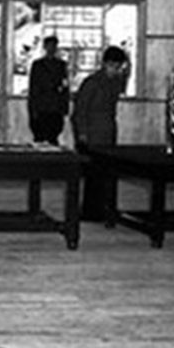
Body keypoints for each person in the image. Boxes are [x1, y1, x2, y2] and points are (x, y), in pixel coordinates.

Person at [71, 46, 130, 222]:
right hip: (91, 135)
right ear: (105, 64)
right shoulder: (92, 83)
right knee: (93, 175)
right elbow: (80, 111)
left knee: (107, 174)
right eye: (113, 66)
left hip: (108, 133)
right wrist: (82, 133)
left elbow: (125, 80)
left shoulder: (115, 82)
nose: (116, 70)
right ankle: (90, 211)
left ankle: (106, 208)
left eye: (118, 67)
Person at [27, 35, 70, 145]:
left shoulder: (61, 65)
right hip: (41, 107)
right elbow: (33, 88)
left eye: (54, 46)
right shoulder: (38, 65)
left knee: (53, 137)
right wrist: (33, 108)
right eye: (49, 46)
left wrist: (64, 107)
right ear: (45, 47)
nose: (51, 48)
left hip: (55, 107)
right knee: (39, 138)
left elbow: (65, 86)